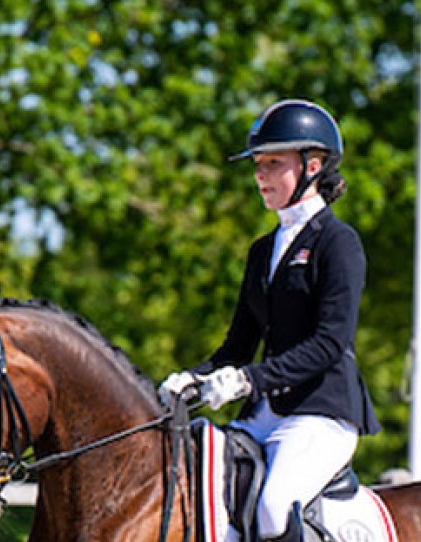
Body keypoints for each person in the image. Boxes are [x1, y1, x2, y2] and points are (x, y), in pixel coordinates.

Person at [159, 99, 381, 542]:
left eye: (273, 163)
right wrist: (193, 379)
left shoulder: (338, 243)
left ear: (312, 166)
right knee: (194, 479)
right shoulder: (263, 250)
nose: (260, 174)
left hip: (320, 414)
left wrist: (247, 381)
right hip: (263, 414)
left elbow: (328, 344)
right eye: (257, 165)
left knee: (275, 507)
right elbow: (237, 346)